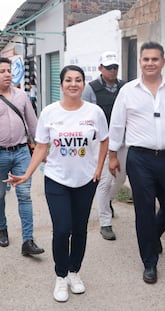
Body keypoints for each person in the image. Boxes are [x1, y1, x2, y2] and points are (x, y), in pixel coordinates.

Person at [5, 65, 108, 302]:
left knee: (80, 230)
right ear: (61, 85)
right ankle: (61, 276)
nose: (74, 84)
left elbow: (104, 140)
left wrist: (99, 167)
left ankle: (74, 272)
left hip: (86, 181)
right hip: (57, 180)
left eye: (78, 80)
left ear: (83, 84)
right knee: (63, 230)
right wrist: (28, 174)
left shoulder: (94, 112)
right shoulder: (50, 113)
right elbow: (41, 147)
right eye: (69, 80)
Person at [109, 41, 165, 284]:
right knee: (144, 209)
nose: (150, 63)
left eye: (154, 59)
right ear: (140, 62)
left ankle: (152, 235)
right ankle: (149, 262)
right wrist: (113, 155)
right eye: (146, 59)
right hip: (140, 159)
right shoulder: (128, 91)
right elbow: (117, 125)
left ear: (163, 62)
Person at [0, 57, 44, 256]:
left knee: (24, 195)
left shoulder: (22, 96)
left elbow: (33, 124)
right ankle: (2, 228)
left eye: (8, 70)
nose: (7, 74)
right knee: (0, 195)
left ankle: (28, 240)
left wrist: (41, 149)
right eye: (2, 71)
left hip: (21, 152)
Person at [82, 51, 126, 241]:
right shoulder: (91, 89)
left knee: (121, 179)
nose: (112, 70)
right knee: (106, 180)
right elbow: (86, 114)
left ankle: (106, 202)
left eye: (115, 67)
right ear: (100, 68)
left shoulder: (125, 87)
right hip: (102, 141)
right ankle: (105, 223)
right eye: (109, 67)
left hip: (123, 140)